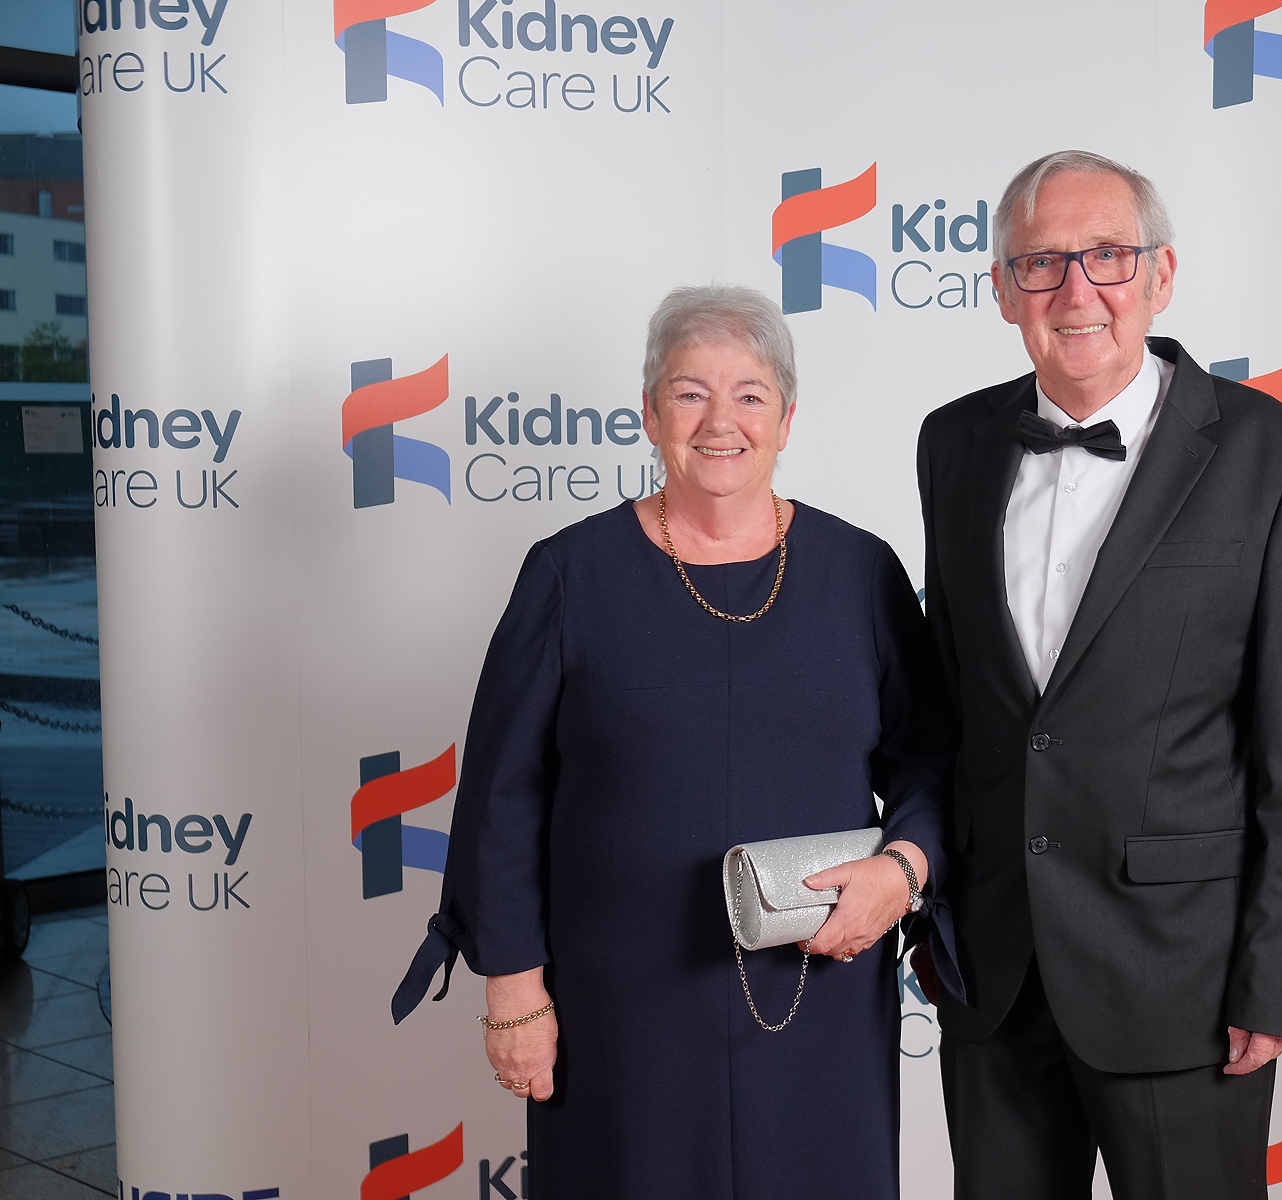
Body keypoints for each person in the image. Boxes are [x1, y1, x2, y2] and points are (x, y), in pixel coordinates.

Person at [392, 285, 959, 1200]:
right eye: (690, 392)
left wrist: (903, 869)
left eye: (749, 394)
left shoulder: (861, 571)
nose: (719, 420)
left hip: (818, 989)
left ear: (787, 418)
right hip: (620, 1004)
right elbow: (502, 797)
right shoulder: (570, 573)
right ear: (650, 412)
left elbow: (931, 761)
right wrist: (513, 994)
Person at [912, 150, 1282, 1199]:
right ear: (1003, 289)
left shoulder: (1272, 454)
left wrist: (1275, 979)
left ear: (1161, 275)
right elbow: (953, 701)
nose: (1077, 290)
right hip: (995, 971)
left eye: (1107, 255)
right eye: (1042, 261)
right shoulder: (952, 442)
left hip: (1183, 979)